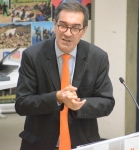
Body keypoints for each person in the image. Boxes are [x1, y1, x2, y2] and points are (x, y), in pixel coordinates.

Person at [15, 0, 115, 150]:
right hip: (40, 143)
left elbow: (107, 102)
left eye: (75, 28)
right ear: (54, 25)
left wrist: (79, 104)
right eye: (63, 25)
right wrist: (56, 98)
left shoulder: (98, 57)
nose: (67, 33)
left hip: (82, 142)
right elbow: (22, 104)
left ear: (84, 30)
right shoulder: (33, 56)